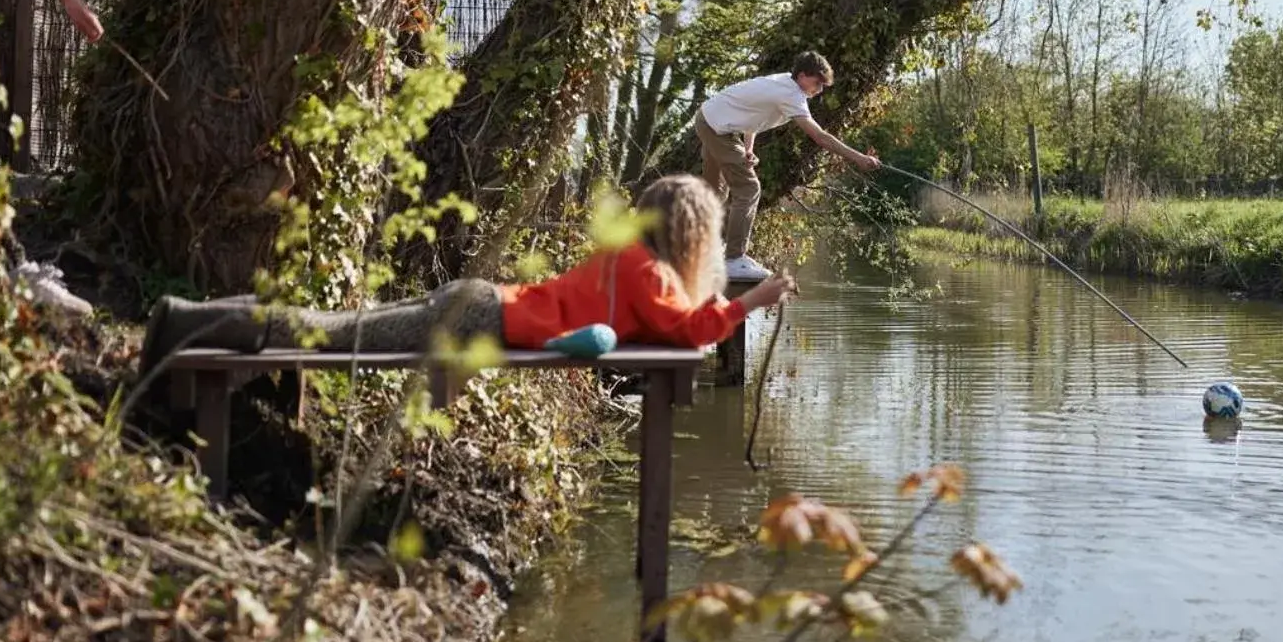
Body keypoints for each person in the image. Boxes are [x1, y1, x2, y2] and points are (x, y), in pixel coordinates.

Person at [139, 175, 796, 366]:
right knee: (333, 336)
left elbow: (656, 325)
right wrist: (754, 299)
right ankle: (184, 323)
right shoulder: (648, 273)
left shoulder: (624, 257)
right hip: (483, 315)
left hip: (482, 301)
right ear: (690, 235)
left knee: (340, 326)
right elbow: (684, 330)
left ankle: (193, 320)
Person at [695, 50, 880, 278]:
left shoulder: (782, 82)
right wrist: (859, 158)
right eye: (817, 83)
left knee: (715, 193)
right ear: (802, 76)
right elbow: (820, 137)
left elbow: (752, 115)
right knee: (749, 189)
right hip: (718, 129)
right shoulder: (791, 95)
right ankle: (734, 258)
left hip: (709, 118)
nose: (819, 90)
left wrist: (749, 148)